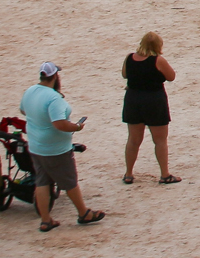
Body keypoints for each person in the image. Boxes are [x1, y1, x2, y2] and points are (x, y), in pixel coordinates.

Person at [22, 63, 102, 231]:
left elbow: (24, 111)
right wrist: (77, 127)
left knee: (42, 182)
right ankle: (83, 213)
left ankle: (46, 220)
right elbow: (59, 124)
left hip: (36, 146)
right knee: (69, 181)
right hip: (55, 148)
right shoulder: (53, 98)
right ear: (55, 76)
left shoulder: (30, 91)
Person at [120, 32, 178, 185]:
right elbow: (171, 76)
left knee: (133, 140)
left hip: (133, 100)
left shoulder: (129, 58)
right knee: (160, 140)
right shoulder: (158, 60)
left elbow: (125, 75)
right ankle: (164, 174)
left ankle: (128, 173)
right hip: (154, 101)